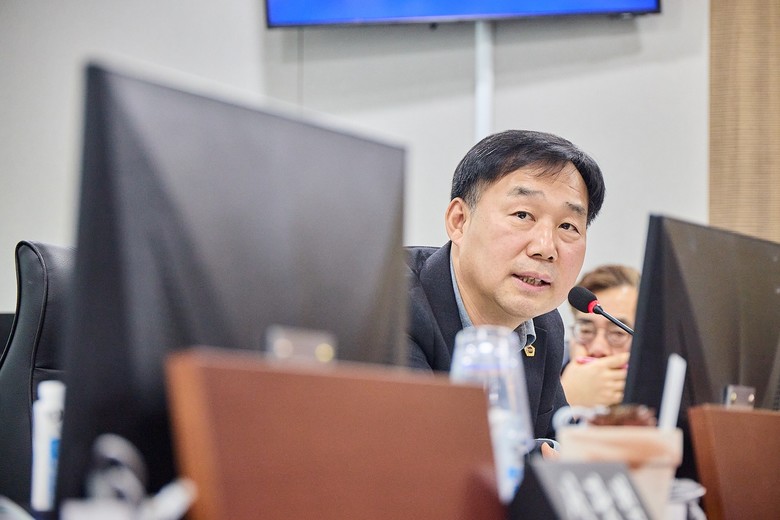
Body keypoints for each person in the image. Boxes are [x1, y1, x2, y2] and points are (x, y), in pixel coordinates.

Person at [405, 129, 606, 445]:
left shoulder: (543, 325)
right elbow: (421, 452)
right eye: (523, 215)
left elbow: (560, 444)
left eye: (568, 226)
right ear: (459, 221)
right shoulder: (393, 306)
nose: (545, 247)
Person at [561, 264, 640, 407]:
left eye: (617, 333)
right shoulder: (543, 372)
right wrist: (567, 399)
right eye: (586, 331)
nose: (597, 349)